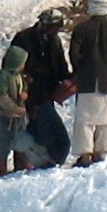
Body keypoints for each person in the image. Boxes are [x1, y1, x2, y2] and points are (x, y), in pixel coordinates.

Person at [68, 0, 107, 167]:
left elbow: (74, 54)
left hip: (86, 80)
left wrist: (81, 70)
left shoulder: (81, 29)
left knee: (84, 120)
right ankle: (103, 151)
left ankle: (85, 154)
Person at [12, 9, 72, 166]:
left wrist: (70, 81)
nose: (56, 31)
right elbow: (12, 68)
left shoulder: (55, 42)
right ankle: (27, 163)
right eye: (54, 28)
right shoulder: (24, 39)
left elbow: (61, 68)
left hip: (46, 96)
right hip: (27, 97)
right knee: (45, 136)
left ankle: (39, 161)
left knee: (47, 136)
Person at [0, 46, 33, 175]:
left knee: (21, 139)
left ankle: (24, 162)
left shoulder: (19, 76)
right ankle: (2, 167)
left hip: (18, 116)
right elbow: (1, 96)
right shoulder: (3, 76)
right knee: (3, 142)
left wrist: (24, 93)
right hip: (5, 115)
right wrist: (13, 108)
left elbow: (24, 87)